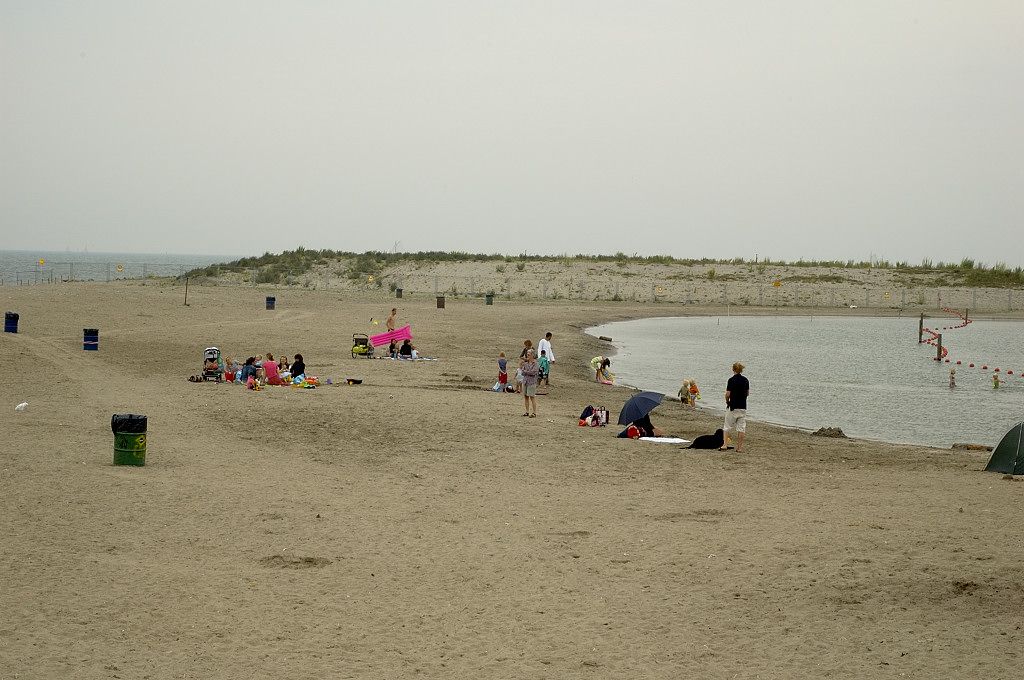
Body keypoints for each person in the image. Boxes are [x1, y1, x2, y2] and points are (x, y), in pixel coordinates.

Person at [722, 362, 750, 452]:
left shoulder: (731, 380)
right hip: (742, 406)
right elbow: (747, 393)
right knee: (741, 428)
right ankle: (739, 447)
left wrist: (727, 401)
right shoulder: (746, 380)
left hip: (733, 406)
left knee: (727, 426)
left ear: (733, 369)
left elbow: (728, 394)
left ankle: (725, 445)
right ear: (741, 370)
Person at [521, 348, 539, 417]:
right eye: (527, 353)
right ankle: (527, 411)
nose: (527, 354)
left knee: (532, 397)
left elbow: (533, 372)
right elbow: (522, 372)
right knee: (526, 397)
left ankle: (534, 412)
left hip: (532, 383)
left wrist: (526, 372)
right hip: (525, 382)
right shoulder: (525, 363)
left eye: (529, 353)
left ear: (532, 355)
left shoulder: (536, 364)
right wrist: (527, 372)